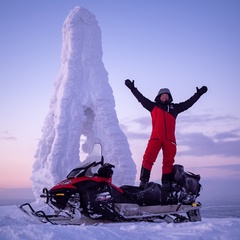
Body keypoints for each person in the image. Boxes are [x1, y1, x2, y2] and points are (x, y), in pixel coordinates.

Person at [125, 79, 208, 200]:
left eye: (166, 95)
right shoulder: (153, 106)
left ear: (169, 97)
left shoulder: (175, 108)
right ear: (158, 97)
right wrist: (132, 88)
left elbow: (188, 103)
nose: (164, 97)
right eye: (162, 95)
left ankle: (166, 184)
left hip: (170, 140)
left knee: (168, 162)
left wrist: (198, 94)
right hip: (156, 138)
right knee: (148, 158)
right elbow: (141, 99)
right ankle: (143, 182)